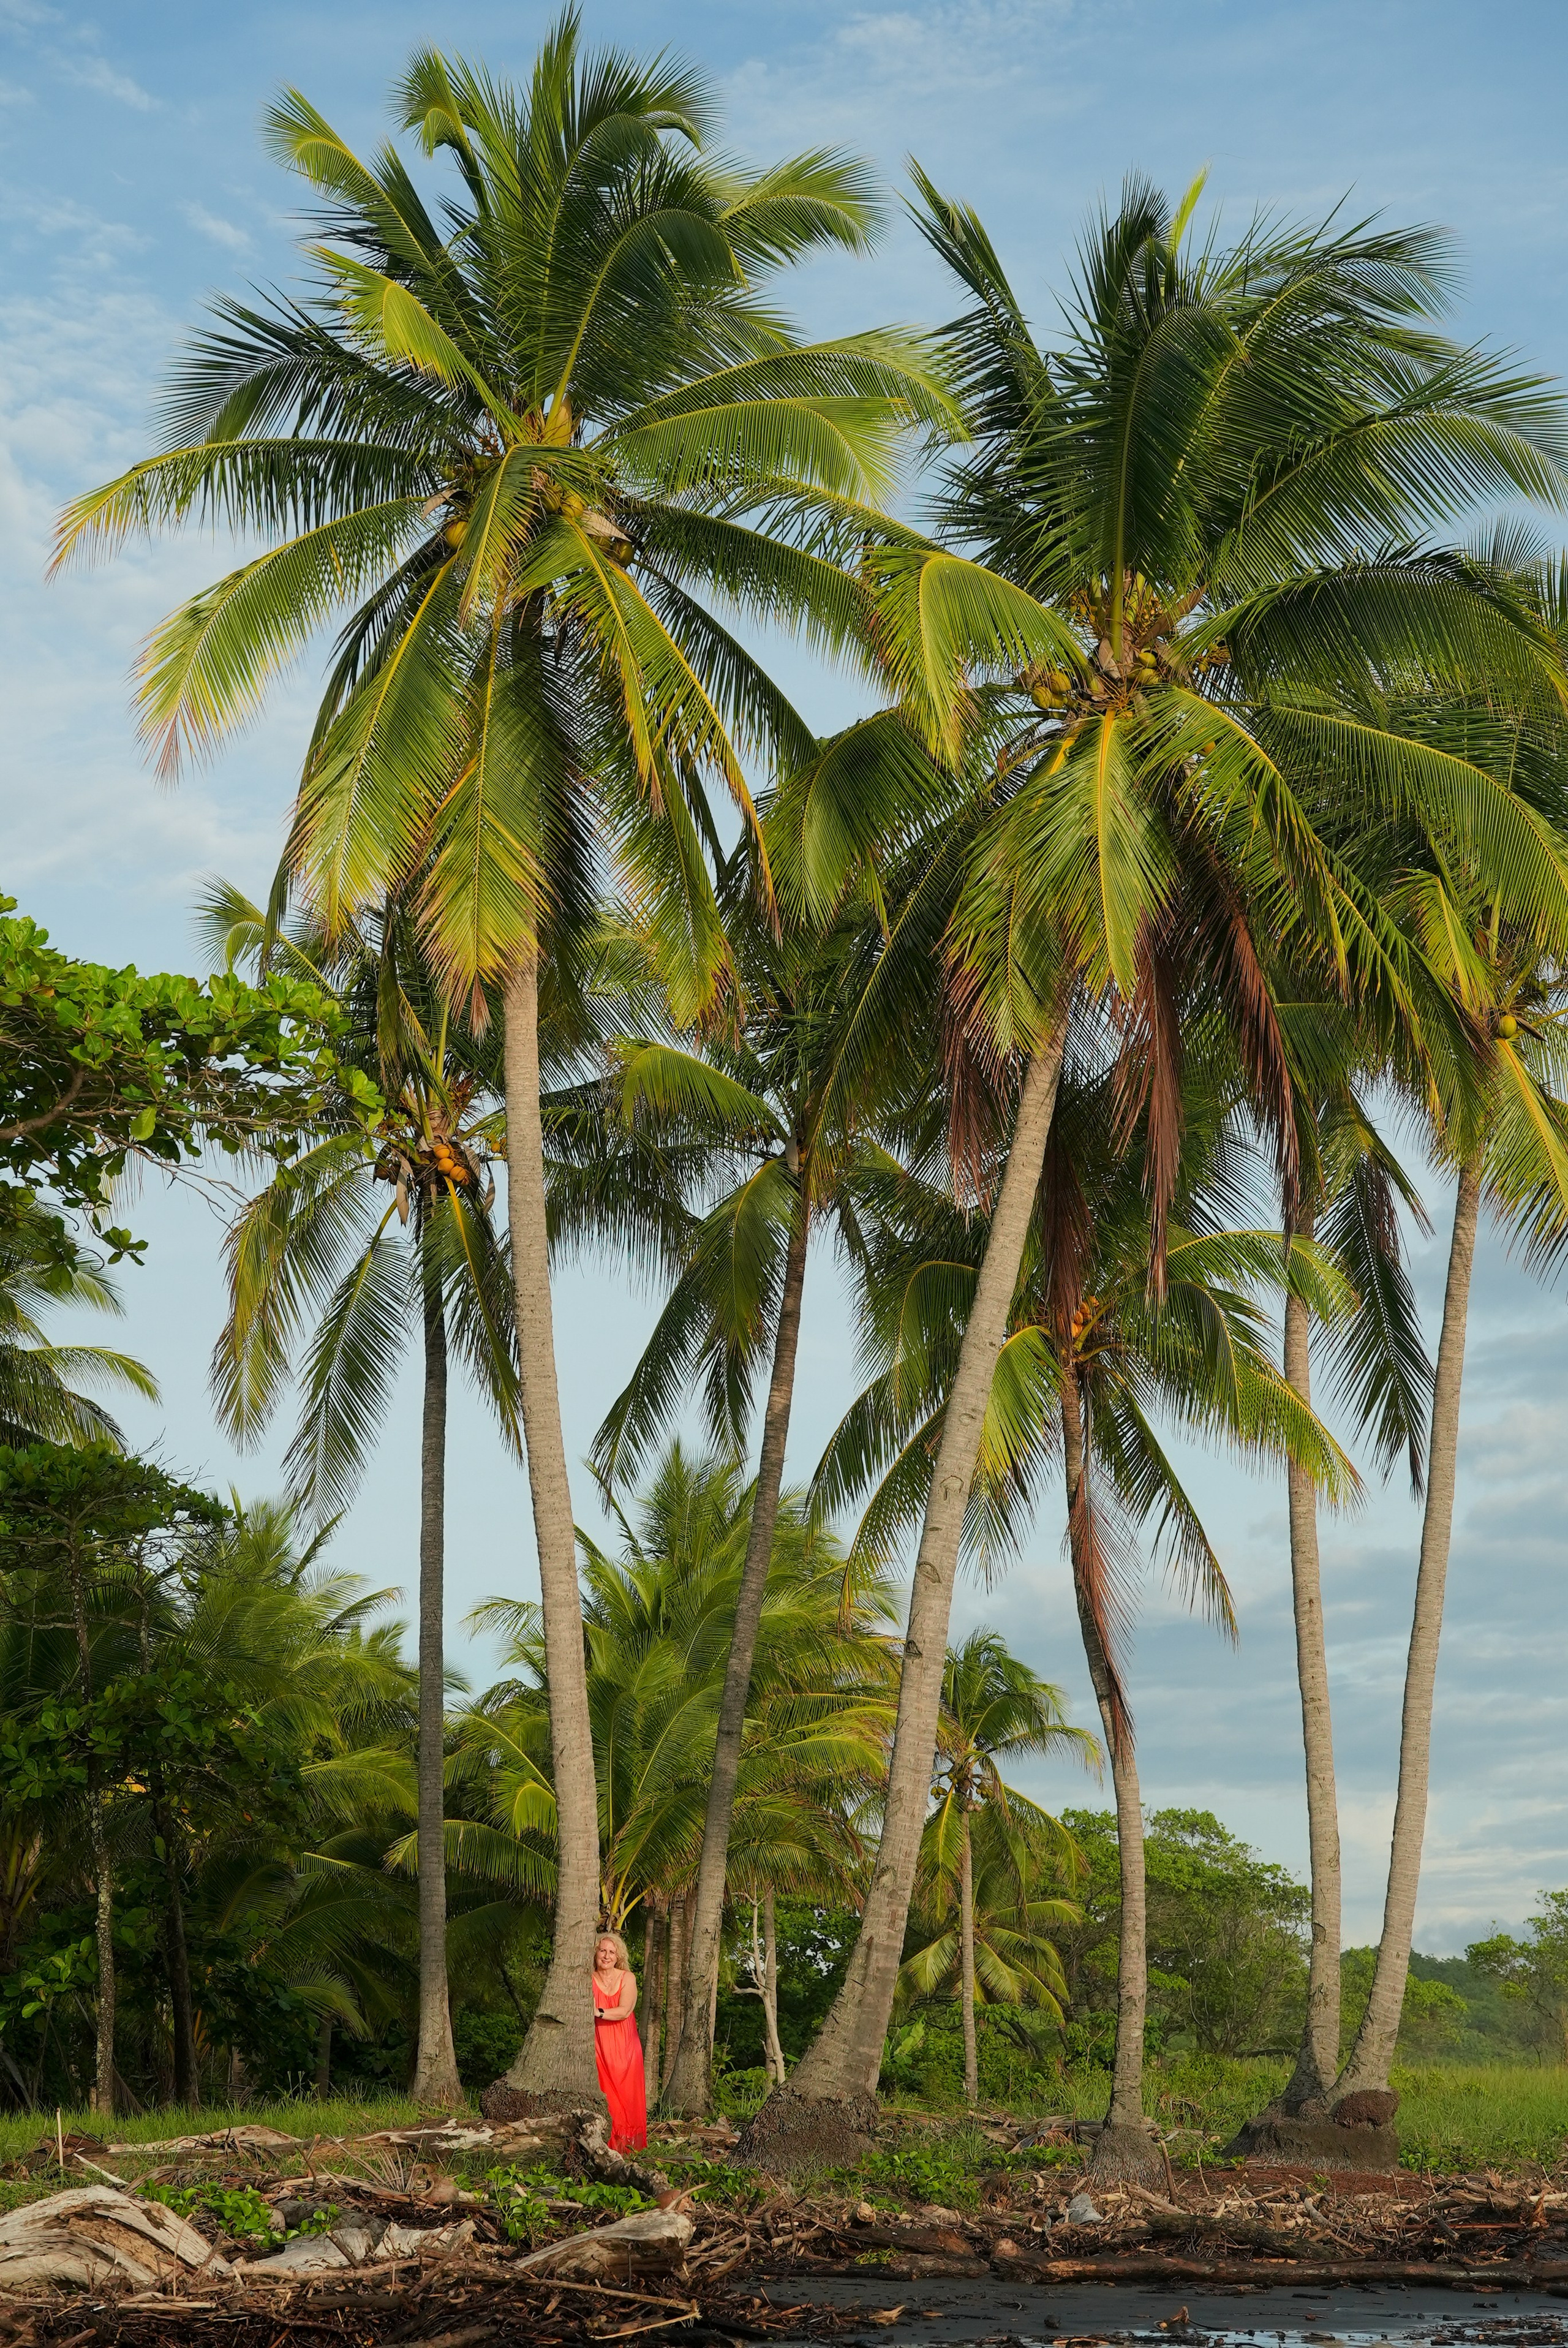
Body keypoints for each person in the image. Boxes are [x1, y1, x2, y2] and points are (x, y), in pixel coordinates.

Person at [592, 1929, 647, 2151]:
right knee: (608, 2097)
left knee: (628, 2098)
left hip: (626, 2047)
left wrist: (597, 2012)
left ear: (619, 1957)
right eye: (602, 1951)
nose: (606, 1956)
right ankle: (608, 2145)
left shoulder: (628, 1978)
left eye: (612, 1952)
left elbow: (625, 2011)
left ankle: (629, 2148)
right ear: (595, 1953)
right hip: (599, 2046)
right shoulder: (587, 1979)